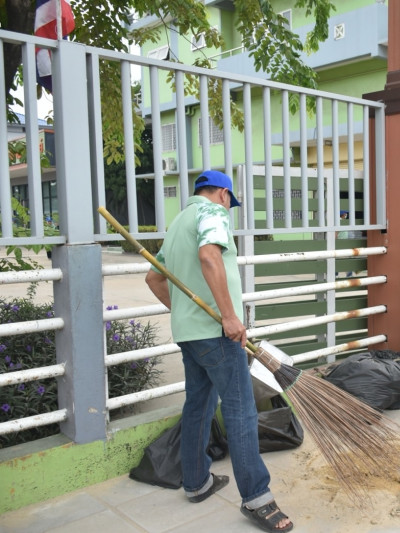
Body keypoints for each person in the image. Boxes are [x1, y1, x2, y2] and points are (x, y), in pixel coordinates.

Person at [145, 170, 293, 532]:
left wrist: (183, 312)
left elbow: (153, 278)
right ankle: (257, 498)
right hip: (216, 334)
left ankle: (197, 483)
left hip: (190, 335)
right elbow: (210, 256)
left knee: (198, 405)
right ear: (224, 194)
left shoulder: (179, 223)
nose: (229, 208)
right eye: (230, 202)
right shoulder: (211, 213)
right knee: (241, 411)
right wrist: (228, 316)